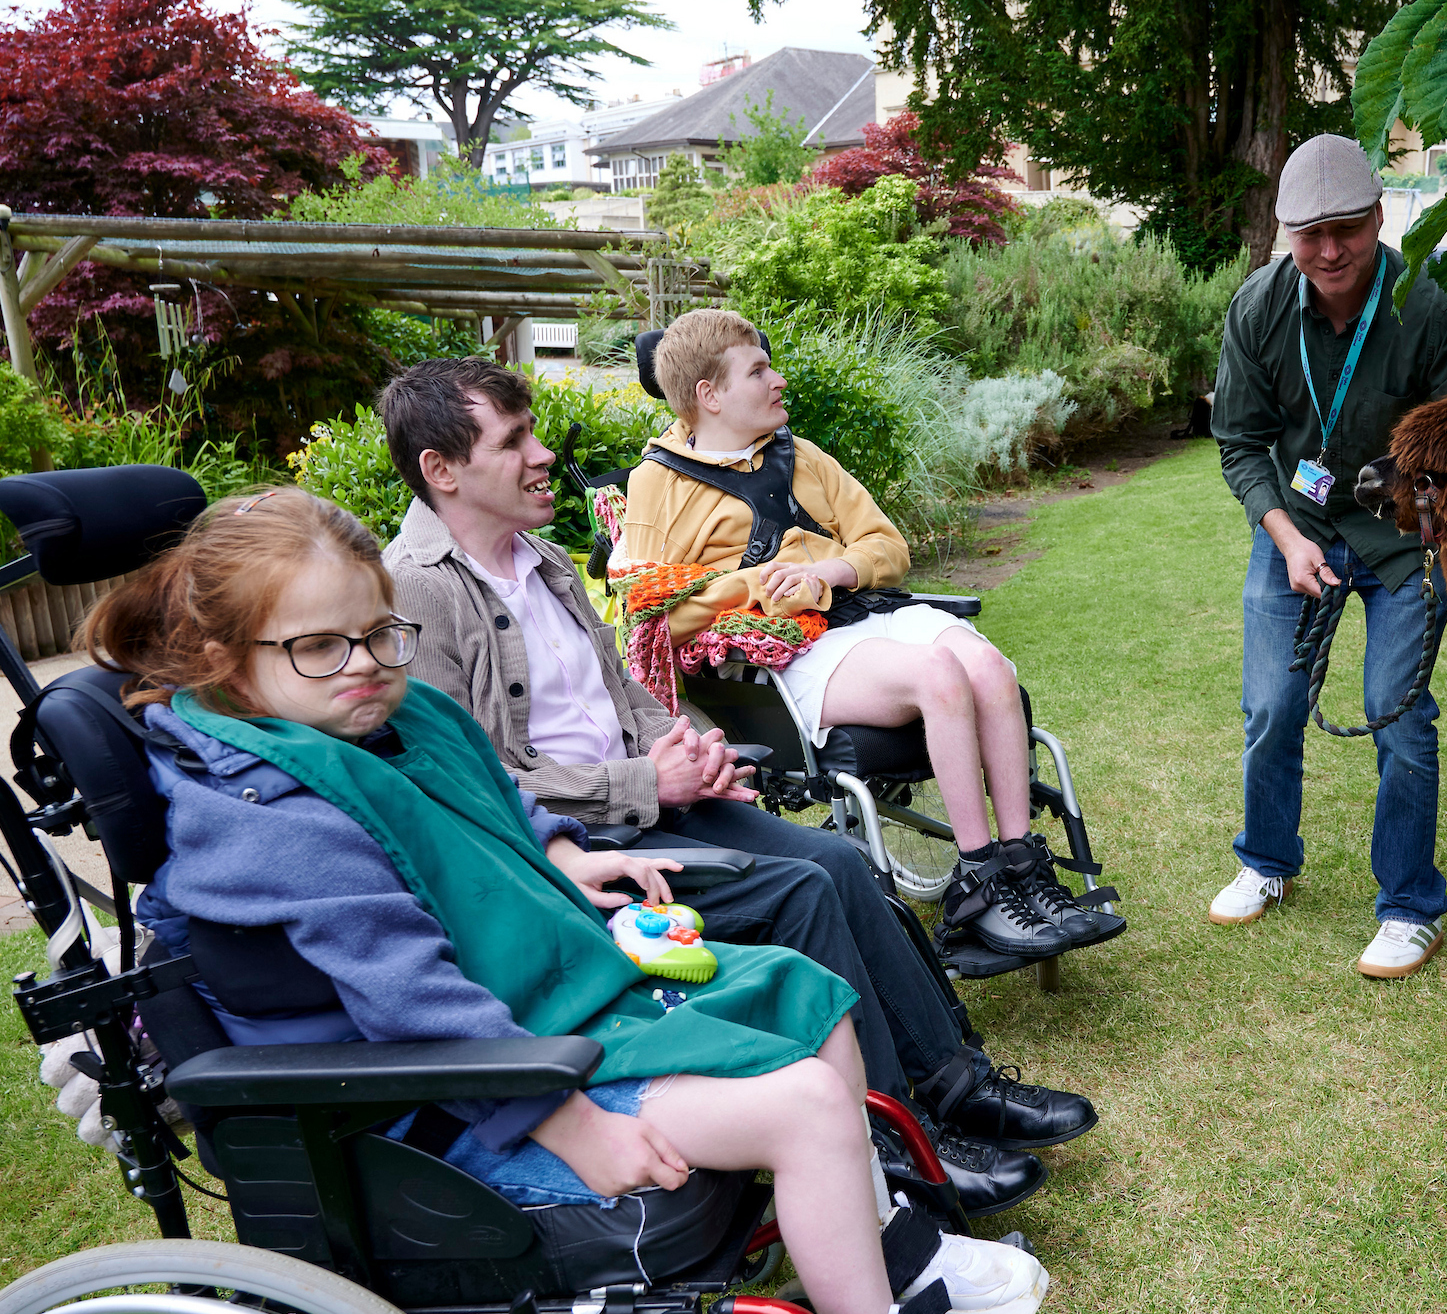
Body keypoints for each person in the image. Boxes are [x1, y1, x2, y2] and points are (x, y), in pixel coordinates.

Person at [106, 488, 1061, 1314]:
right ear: (226, 660)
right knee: (808, 1105)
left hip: (523, 1018)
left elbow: (495, 794)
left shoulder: (391, 717)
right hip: (436, 1115)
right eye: (320, 647)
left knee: (802, 987)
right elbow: (412, 1006)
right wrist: (572, 1124)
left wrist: (560, 850)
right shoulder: (269, 820)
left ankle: (887, 1259)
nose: (365, 667)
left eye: (380, 634)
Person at [376, 357, 1092, 1219]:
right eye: (513, 440)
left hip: (652, 802)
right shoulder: (414, 590)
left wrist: (692, 746)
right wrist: (648, 777)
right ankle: (899, 1140)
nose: (540, 455)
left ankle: (956, 1083)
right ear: (441, 470)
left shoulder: (539, 558)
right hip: (578, 850)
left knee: (841, 859)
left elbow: (621, 694)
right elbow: (473, 778)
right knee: (802, 890)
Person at [613, 312, 1120, 966]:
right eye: (759, 369)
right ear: (710, 394)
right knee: (939, 673)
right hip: (786, 650)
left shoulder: (803, 456)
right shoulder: (659, 482)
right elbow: (652, 610)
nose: (779, 378)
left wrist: (828, 569)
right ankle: (978, 884)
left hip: (864, 608)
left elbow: (887, 546)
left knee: (991, 668)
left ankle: (1023, 867)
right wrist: (765, 586)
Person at [1208, 133, 1447, 979]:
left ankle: (1409, 906)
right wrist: (1286, 539)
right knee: (1272, 706)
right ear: (1285, 232)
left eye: (1348, 228)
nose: (1330, 251)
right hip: (1298, 527)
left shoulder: (1431, 304)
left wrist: (1440, 516)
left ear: (1378, 215)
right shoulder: (1257, 308)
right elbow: (1242, 444)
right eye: (1309, 233)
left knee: (1398, 717)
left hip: (1402, 541)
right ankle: (1267, 860)